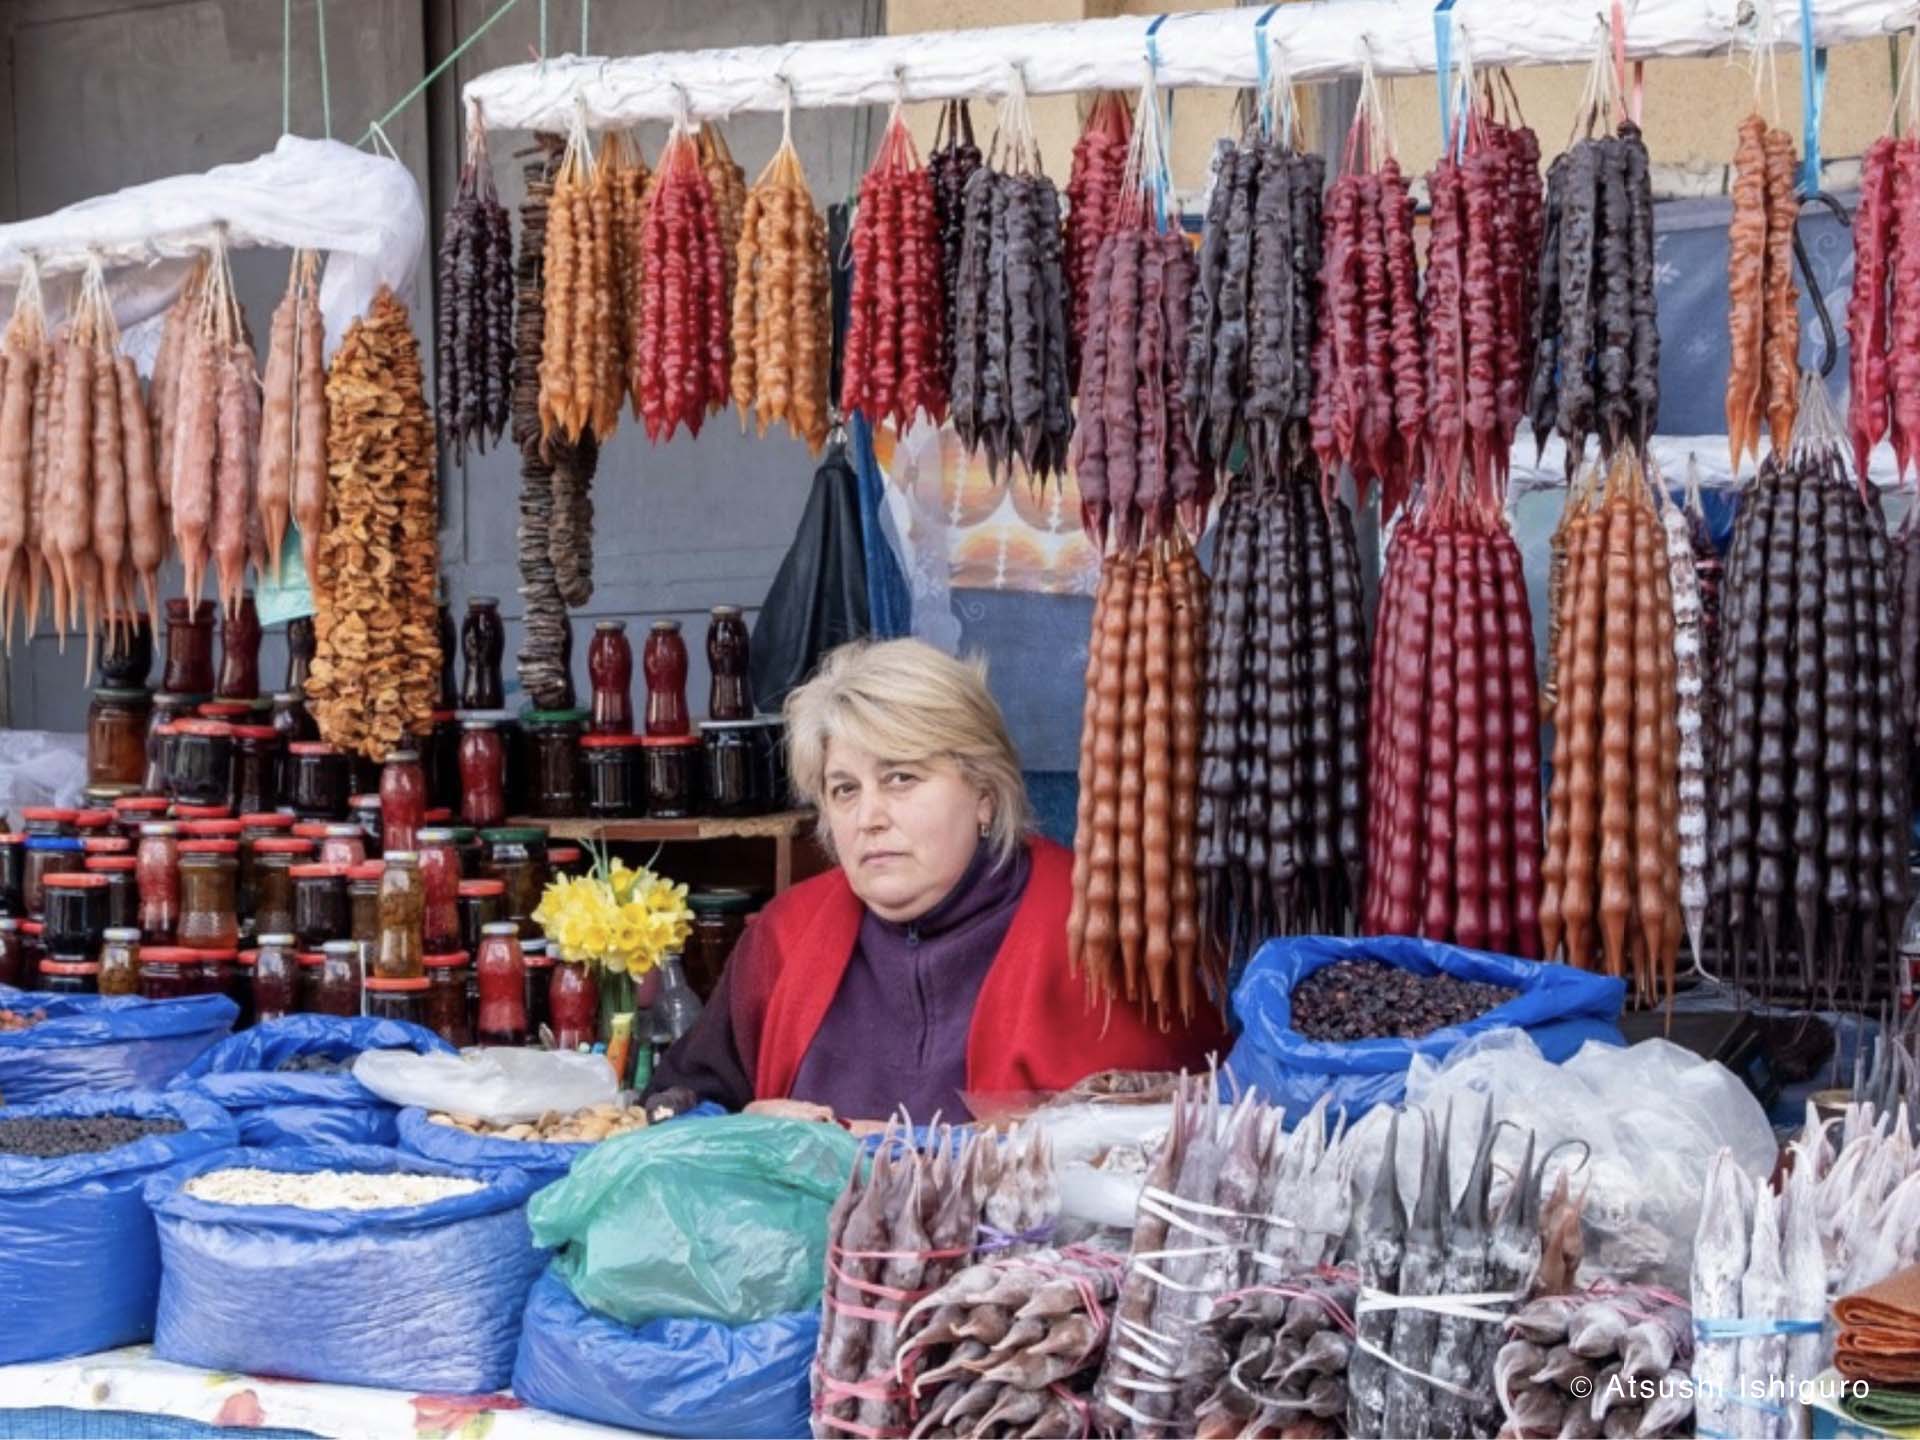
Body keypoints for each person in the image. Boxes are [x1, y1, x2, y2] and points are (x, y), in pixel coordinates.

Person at [649, 638, 1222, 1122]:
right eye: (844, 789)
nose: (868, 816)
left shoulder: (1097, 926)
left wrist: (929, 1155)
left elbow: (1173, 1139)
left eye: (900, 778)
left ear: (984, 795)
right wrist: (743, 1130)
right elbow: (677, 1106)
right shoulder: (786, 936)